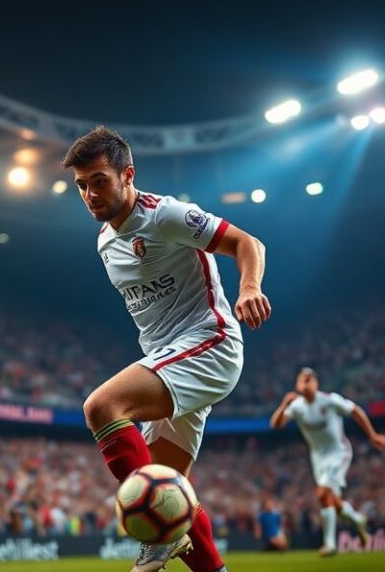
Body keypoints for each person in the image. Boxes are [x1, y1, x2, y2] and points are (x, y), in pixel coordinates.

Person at [63, 126, 271, 572]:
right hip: (170, 359)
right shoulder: (104, 240)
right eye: (81, 185)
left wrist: (249, 287)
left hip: (209, 343)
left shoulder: (165, 215)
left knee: (101, 407)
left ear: (128, 175)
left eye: (99, 180)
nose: (90, 194)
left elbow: (247, 243)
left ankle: (159, 536)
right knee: (169, 489)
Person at [269, 367, 385, 556]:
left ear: (316, 383)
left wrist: (372, 435)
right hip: (318, 459)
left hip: (339, 453)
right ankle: (357, 520)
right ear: (297, 384)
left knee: (322, 493)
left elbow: (355, 410)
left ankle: (330, 544)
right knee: (332, 501)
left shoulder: (329, 400)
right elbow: (275, 425)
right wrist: (284, 404)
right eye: (302, 379)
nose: (306, 383)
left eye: (309, 379)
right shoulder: (297, 406)